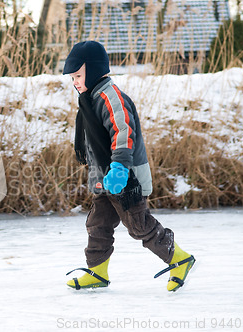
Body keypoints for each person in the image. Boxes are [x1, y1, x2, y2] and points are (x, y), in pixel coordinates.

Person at [63, 41, 195, 292]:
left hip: (126, 178)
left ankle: (180, 259)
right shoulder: (91, 98)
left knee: (138, 225)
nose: (75, 82)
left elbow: (123, 132)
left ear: (93, 70)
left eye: (78, 75)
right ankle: (97, 272)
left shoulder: (110, 97)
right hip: (106, 178)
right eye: (72, 78)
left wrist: (120, 170)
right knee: (98, 224)